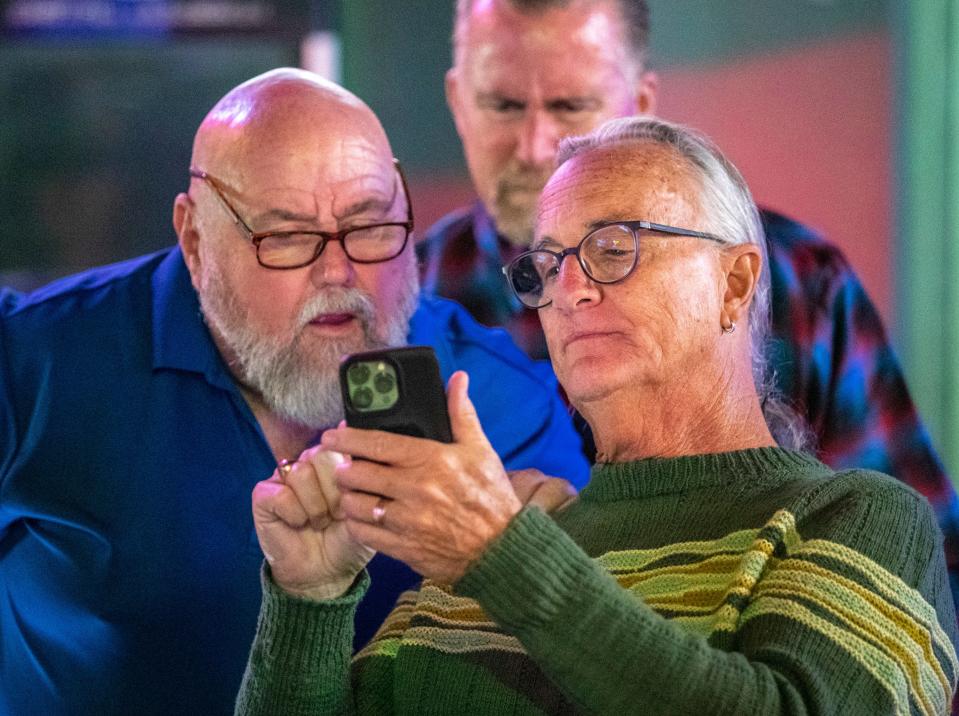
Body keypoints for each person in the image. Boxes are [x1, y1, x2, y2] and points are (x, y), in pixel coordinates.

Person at [237, 117, 958, 715]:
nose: (570, 290)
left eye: (614, 249)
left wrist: (499, 552)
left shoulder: (859, 519)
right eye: (545, 268)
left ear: (734, 283)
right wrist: (310, 600)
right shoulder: (491, 548)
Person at [0, 68, 589, 716]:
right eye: (286, 238)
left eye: (369, 227)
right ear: (195, 240)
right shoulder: (36, 363)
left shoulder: (497, 402)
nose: (338, 271)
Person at [417, 0, 959, 598]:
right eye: (503, 105)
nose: (535, 145)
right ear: (456, 100)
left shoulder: (800, 279)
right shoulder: (415, 295)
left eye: (572, 106)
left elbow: (920, 578)